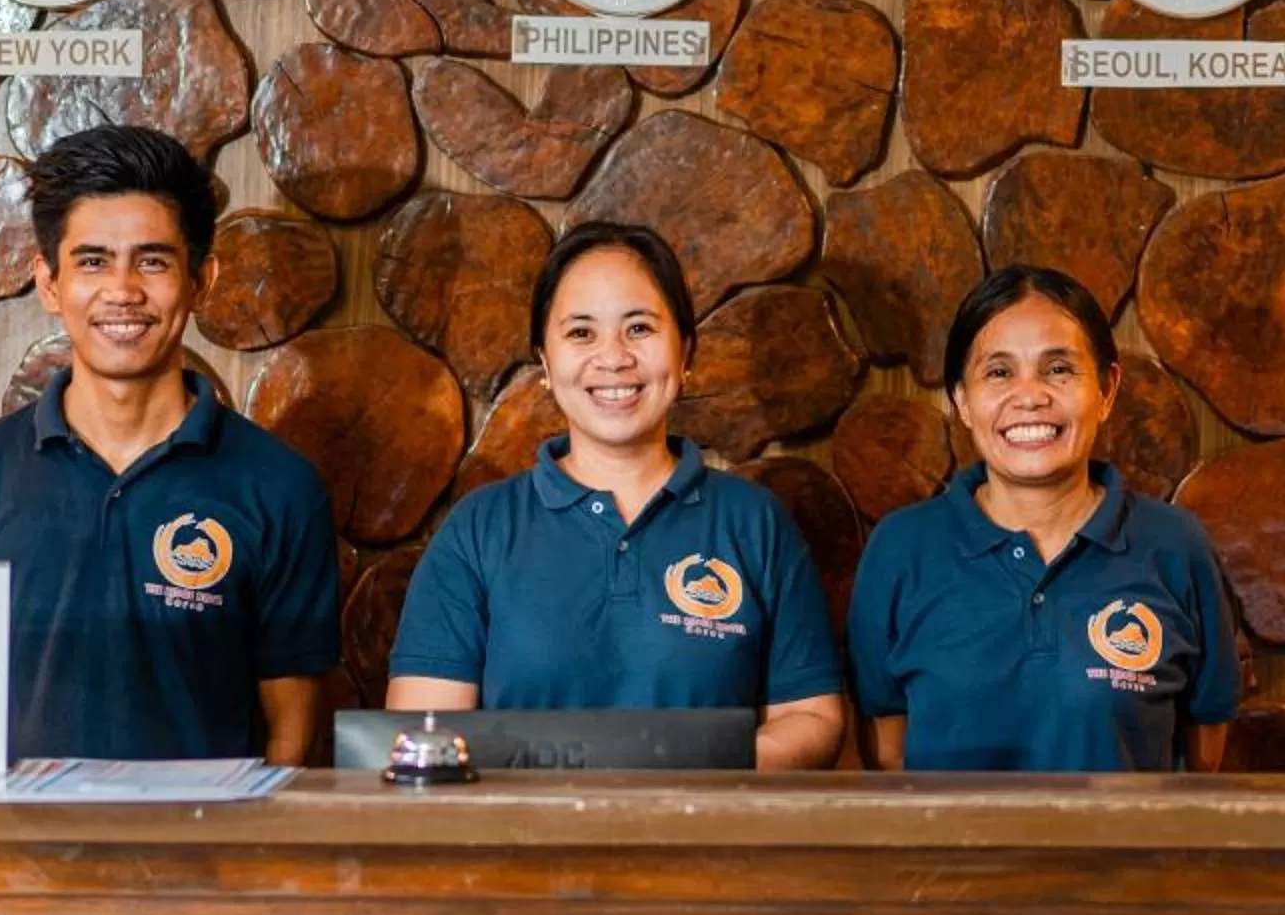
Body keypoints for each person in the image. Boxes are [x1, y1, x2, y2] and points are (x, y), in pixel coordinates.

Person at [0, 125, 339, 764]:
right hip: (20, 854)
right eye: (92, 261)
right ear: (49, 282)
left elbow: (291, 734)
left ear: (202, 279)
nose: (123, 290)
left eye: (153, 260)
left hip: (206, 856)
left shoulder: (280, 486)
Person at [387, 221, 848, 770]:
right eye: (581, 333)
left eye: (640, 328)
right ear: (544, 360)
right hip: (523, 848)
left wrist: (680, 769)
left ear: (686, 353)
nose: (613, 358)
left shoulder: (754, 522)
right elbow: (424, 735)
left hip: (704, 843)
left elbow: (813, 719)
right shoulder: (479, 529)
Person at [849, 264, 1237, 773]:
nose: (1030, 396)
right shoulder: (901, 548)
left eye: (1058, 369)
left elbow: (1202, 750)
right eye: (998, 372)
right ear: (962, 400)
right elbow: (887, 748)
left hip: (1121, 855)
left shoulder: (1175, 547)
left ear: (1107, 389)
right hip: (948, 855)